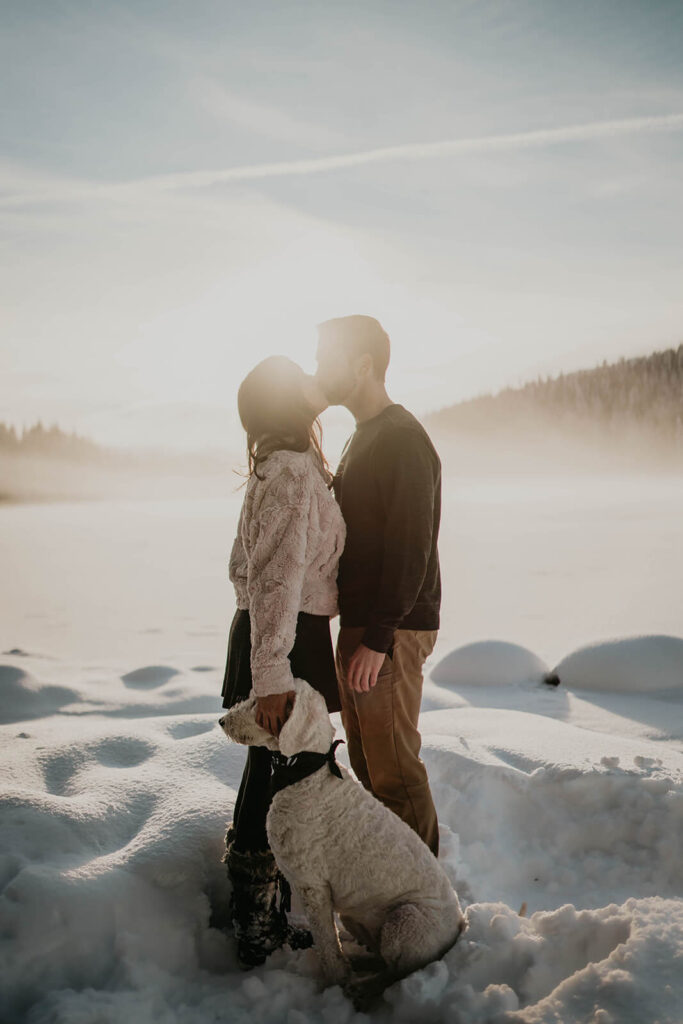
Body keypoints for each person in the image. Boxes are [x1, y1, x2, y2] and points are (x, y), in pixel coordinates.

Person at [220, 355, 346, 969]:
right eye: (298, 377)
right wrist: (271, 677)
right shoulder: (292, 472)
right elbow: (271, 579)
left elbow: (249, 569)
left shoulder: (288, 468)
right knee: (271, 777)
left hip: (285, 635)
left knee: (278, 774)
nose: (311, 379)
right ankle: (256, 922)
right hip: (284, 640)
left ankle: (270, 913)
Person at [315, 314, 442, 857]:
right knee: (368, 767)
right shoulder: (364, 436)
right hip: (364, 625)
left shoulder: (402, 439)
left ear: (362, 365)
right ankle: (393, 895)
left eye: (328, 360)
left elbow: (411, 547)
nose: (319, 370)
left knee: (394, 771)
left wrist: (380, 637)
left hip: (390, 629)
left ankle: (427, 911)